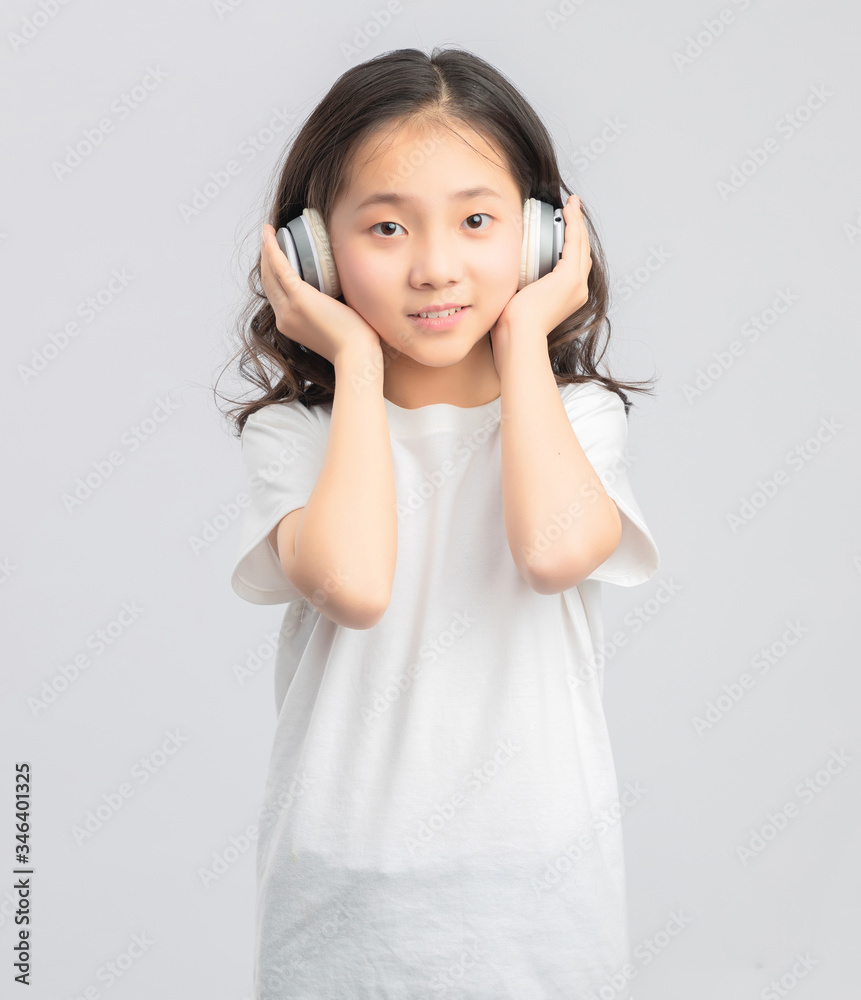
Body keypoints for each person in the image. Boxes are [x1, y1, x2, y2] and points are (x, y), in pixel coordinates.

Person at [218, 45, 660, 1000]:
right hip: (343, 903)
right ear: (315, 251)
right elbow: (354, 585)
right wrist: (357, 364)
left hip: (541, 896)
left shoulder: (575, 420)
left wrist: (523, 343)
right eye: (384, 227)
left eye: (474, 221)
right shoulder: (301, 438)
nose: (434, 267)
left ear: (544, 238)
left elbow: (552, 553)